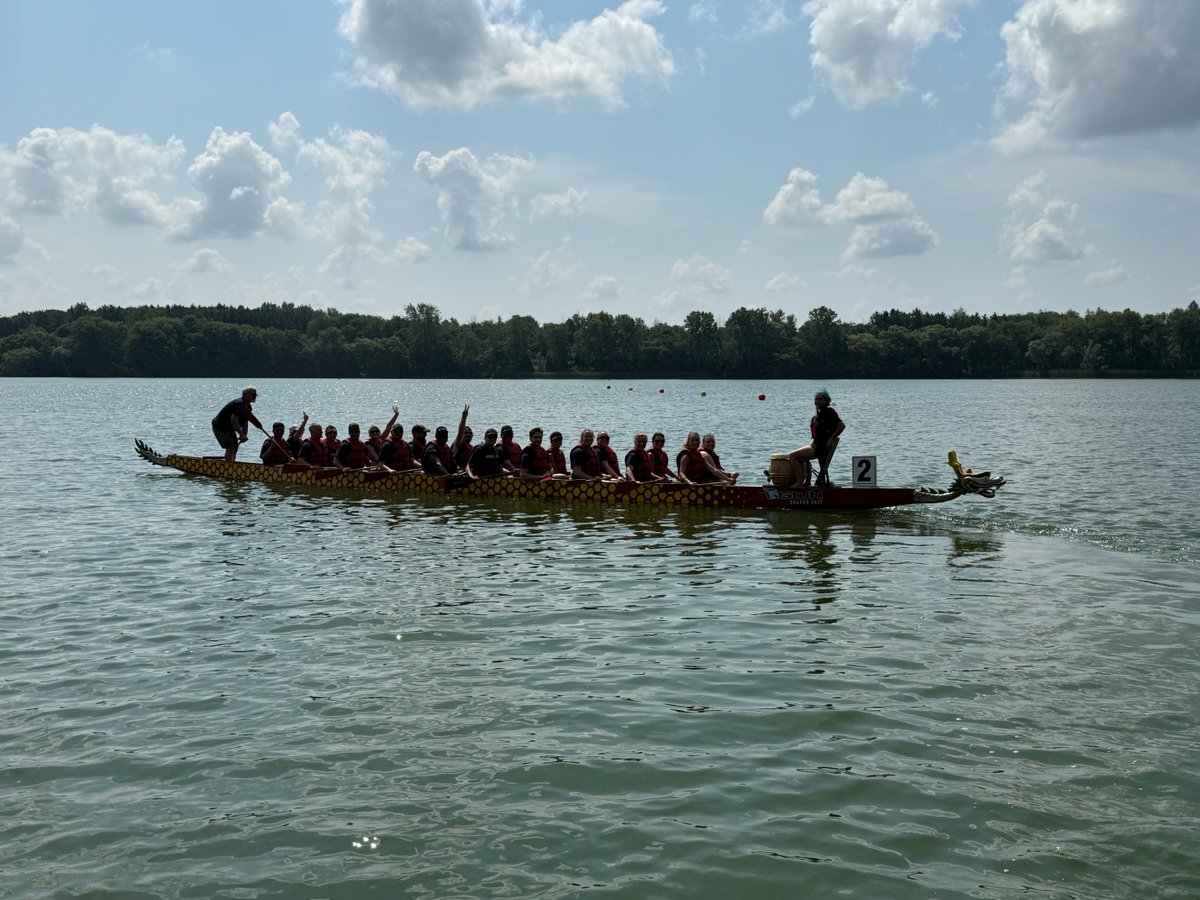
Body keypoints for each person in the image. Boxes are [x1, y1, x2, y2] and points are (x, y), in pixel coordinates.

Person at [787, 388, 845, 487]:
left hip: (822, 447)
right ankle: (807, 482)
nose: (818, 401)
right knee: (800, 457)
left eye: (820, 399)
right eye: (816, 399)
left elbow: (841, 426)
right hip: (815, 445)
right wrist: (811, 445)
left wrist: (831, 439)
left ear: (826, 401)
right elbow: (815, 436)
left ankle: (799, 483)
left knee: (792, 456)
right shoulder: (815, 418)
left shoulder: (830, 412)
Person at [211, 386, 263, 462]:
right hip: (220, 427)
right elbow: (234, 420)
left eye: (256, 395)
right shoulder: (239, 404)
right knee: (230, 447)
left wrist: (244, 434)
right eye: (253, 394)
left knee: (235, 446)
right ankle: (228, 465)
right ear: (246, 395)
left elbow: (245, 421)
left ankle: (232, 461)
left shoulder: (248, 407)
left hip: (229, 428)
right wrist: (241, 434)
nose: (255, 397)